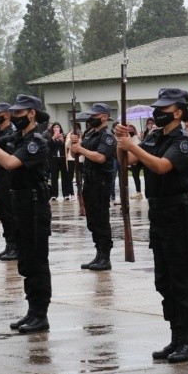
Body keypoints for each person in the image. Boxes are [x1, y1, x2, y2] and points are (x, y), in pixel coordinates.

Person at [114, 88, 188, 363]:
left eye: (164, 109)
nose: (158, 113)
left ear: (178, 112)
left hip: (179, 212)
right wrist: (122, 142)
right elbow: (127, 161)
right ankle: (175, 337)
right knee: (163, 280)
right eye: (157, 108)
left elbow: (162, 167)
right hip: (159, 212)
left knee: (181, 279)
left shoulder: (182, 140)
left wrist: (132, 146)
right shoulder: (154, 136)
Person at [0, 94, 53, 333]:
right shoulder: (17, 136)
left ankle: (41, 314)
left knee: (37, 261)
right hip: (21, 204)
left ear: (32, 113)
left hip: (35, 206)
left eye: (18, 113)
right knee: (25, 261)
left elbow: (8, 163)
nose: (14, 117)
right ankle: (32, 310)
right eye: (13, 113)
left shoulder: (37, 140)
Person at [69, 103, 116, 271]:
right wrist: (75, 146)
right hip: (89, 181)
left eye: (94, 115)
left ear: (104, 117)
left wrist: (80, 148)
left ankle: (105, 257)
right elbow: (76, 153)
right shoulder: (90, 133)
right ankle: (98, 253)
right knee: (92, 221)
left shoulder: (107, 136)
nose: (91, 118)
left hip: (101, 182)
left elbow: (100, 157)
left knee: (101, 220)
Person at [0, 102, 18, 261]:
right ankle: (9, 244)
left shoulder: (13, 131)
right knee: (2, 211)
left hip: (9, 175)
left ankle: (16, 246)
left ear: (7, 114)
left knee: (11, 211)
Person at [47, 123, 73, 201]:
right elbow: (48, 145)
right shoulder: (50, 136)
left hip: (62, 159)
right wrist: (53, 138)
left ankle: (66, 194)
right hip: (53, 159)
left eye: (57, 127)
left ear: (60, 128)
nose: (56, 128)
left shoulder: (64, 136)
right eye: (54, 127)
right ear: (52, 129)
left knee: (64, 177)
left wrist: (62, 140)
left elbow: (67, 146)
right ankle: (54, 194)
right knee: (54, 177)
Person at [126, 124, 144, 200]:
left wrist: (135, 160)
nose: (130, 130)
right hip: (132, 159)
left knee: (136, 176)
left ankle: (139, 192)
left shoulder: (136, 138)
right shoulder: (131, 138)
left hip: (136, 160)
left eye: (131, 129)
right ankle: (138, 192)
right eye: (128, 129)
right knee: (135, 176)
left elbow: (136, 149)